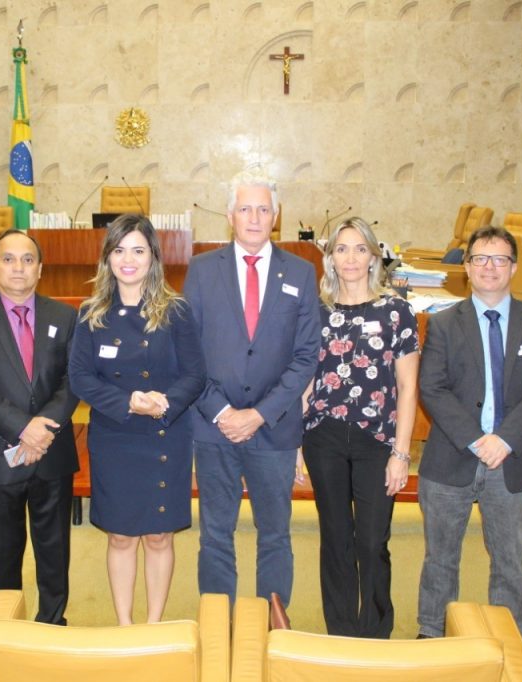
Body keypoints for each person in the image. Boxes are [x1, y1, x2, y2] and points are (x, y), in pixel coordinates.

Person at [416, 226, 522, 664]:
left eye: (500, 259)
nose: (490, 267)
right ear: (467, 267)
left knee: (509, 561)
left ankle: (513, 643)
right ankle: (432, 635)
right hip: (452, 455)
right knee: (440, 557)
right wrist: (477, 439)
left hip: (512, 460)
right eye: (480, 258)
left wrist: (505, 440)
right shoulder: (443, 324)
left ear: (513, 268)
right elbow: (432, 388)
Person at [183, 169, 321, 607]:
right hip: (214, 427)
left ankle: (271, 622)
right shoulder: (202, 270)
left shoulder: (301, 273)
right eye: (246, 208)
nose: (255, 218)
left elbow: (306, 356)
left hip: (274, 428)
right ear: (230, 216)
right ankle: (217, 619)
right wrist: (223, 413)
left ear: (276, 217)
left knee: (275, 534)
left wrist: (259, 414)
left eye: (264, 209)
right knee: (215, 532)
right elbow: (188, 352)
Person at [69, 215, 206, 624]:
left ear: (153, 258)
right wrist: (128, 402)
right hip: (116, 437)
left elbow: (195, 375)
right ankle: (125, 625)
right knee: (121, 535)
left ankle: (153, 624)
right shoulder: (91, 313)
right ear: (107, 258)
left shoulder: (176, 310)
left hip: (166, 434)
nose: (128, 260)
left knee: (159, 536)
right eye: (119, 250)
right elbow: (80, 378)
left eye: (138, 250)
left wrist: (164, 404)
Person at [0, 230, 79, 625]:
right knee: (4, 555)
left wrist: (43, 431)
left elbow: (74, 379)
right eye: (8, 259)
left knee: (54, 551)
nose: (18, 268)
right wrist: (24, 428)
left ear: (40, 269)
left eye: (28, 259)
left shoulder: (65, 316)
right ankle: (6, 627)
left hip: (52, 453)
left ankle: (52, 623)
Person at [302, 217, 419, 638]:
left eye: (359, 248)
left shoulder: (396, 311)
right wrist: (296, 443)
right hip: (323, 437)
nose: (350, 258)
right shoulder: (316, 312)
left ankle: (374, 633)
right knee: (335, 539)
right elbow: (306, 380)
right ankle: (341, 632)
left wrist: (401, 454)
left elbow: (408, 387)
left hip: (377, 440)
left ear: (373, 256)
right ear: (330, 259)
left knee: (372, 541)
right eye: (341, 249)